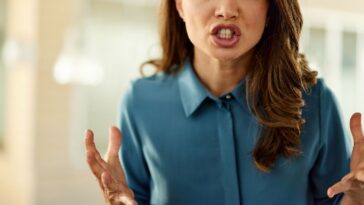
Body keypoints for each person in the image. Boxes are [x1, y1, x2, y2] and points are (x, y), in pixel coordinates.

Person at [85, 0, 364, 204]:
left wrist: (357, 199)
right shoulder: (140, 104)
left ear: (271, 9)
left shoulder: (316, 103)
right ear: (179, 6)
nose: (226, 9)